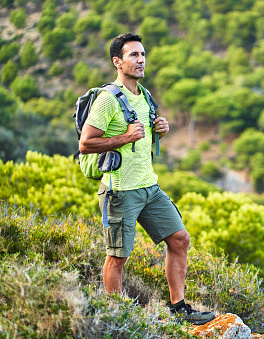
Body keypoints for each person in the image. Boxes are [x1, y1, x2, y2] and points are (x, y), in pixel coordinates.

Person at [79, 32, 215, 326]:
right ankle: (115, 317)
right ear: (117, 62)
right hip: (120, 191)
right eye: (133, 55)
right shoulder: (107, 100)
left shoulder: (145, 95)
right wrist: (125, 137)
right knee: (118, 257)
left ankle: (179, 309)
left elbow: (143, 139)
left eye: (142, 55)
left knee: (180, 240)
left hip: (149, 187)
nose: (140, 60)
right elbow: (85, 143)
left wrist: (160, 130)